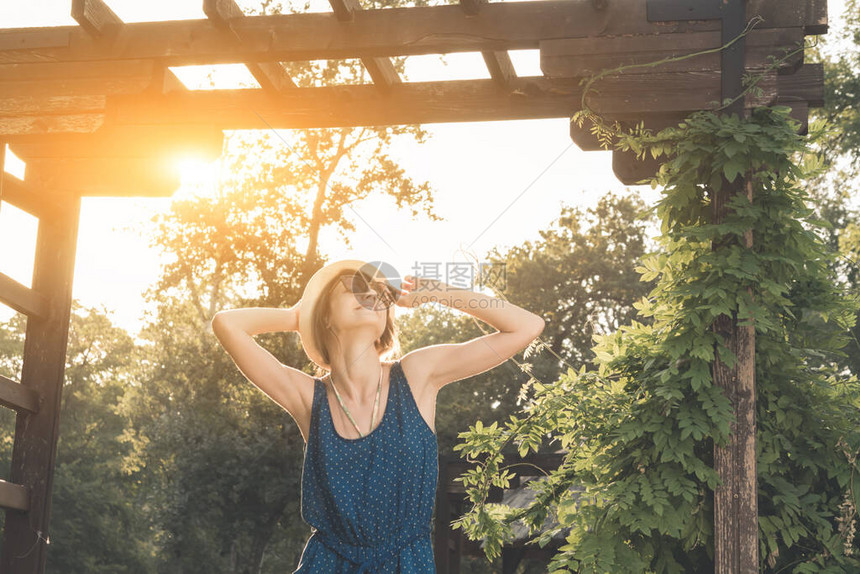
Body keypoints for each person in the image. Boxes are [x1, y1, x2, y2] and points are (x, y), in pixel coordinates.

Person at [211, 259, 545, 572]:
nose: (369, 294)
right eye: (351, 290)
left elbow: (526, 326)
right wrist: (297, 316)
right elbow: (227, 324)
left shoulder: (416, 375)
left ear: (386, 319)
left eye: (379, 293)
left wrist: (439, 292)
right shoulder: (308, 398)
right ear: (326, 316)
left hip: (407, 564)